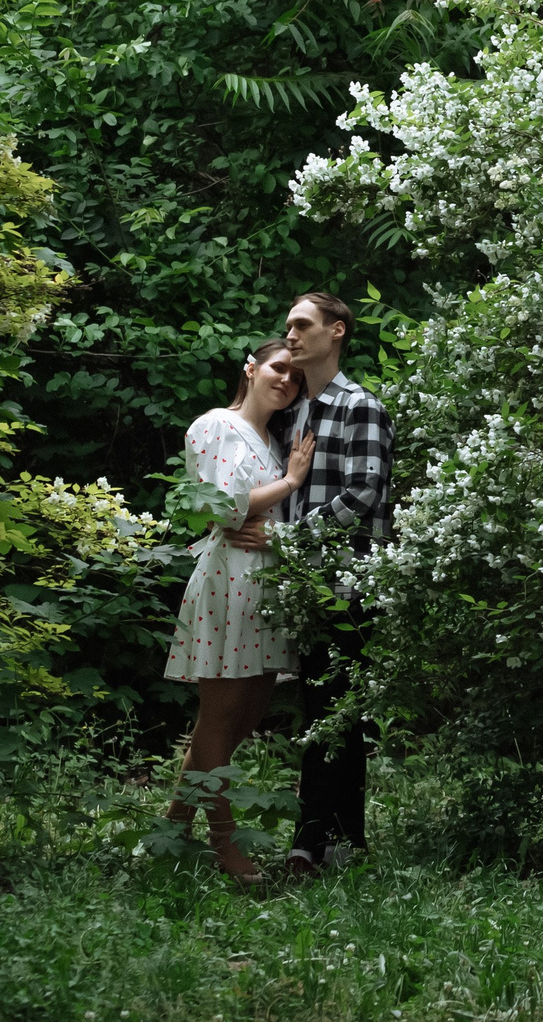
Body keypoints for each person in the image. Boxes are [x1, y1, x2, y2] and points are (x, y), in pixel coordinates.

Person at [224, 290, 393, 875]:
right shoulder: (291, 413)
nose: (290, 335)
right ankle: (334, 841)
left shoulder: (360, 407)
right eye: (287, 326)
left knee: (338, 711)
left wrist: (290, 540)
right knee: (320, 711)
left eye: (302, 325)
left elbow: (365, 491)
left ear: (337, 332)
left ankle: (313, 843)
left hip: (344, 586)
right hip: (294, 588)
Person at [162, 338, 315, 882]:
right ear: (251, 369)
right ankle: (224, 846)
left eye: (296, 377)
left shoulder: (269, 440)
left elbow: (262, 518)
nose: (286, 380)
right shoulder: (215, 425)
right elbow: (221, 508)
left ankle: (170, 836)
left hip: (266, 589)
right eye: (278, 368)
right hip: (230, 583)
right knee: (222, 717)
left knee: (236, 721)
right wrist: (292, 482)